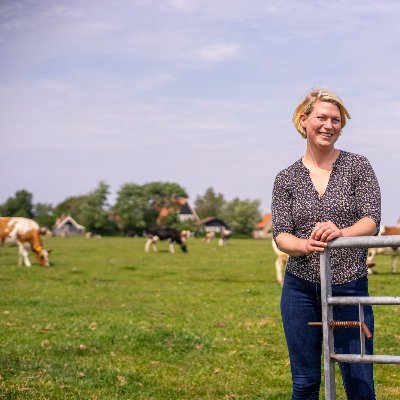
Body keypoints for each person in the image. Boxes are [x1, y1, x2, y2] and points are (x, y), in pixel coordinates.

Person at [271, 88, 381, 400]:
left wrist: (341, 233)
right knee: (305, 382)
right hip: (300, 290)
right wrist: (304, 246)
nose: (329, 125)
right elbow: (281, 234)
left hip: (350, 286)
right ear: (304, 120)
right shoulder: (286, 178)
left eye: (336, 120)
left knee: (359, 383)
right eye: (322, 117)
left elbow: (371, 219)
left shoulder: (357, 166)